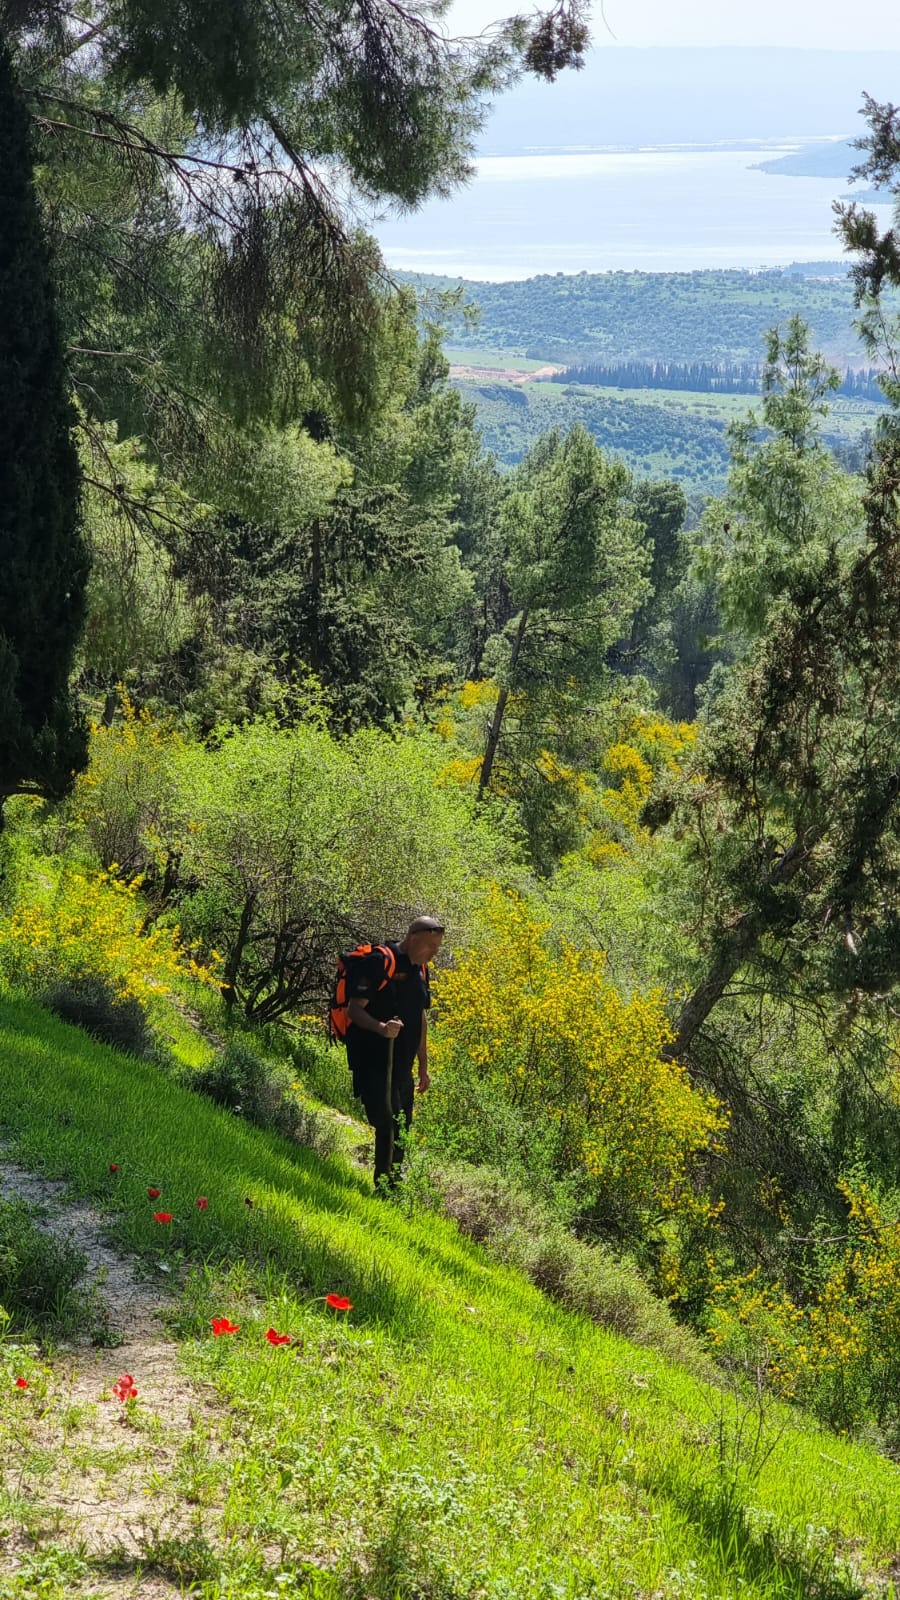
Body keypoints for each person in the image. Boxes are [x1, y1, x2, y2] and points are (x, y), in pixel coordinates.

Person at [345, 916, 444, 1191]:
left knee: (403, 1125)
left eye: (437, 947)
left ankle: (393, 1183)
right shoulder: (380, 962)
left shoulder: (421, 971)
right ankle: (384, 1187)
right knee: (389, 1124)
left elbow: (420, 1018)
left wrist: (423, 1065)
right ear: (413, 937)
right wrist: (381, 1027)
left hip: (402, 1066)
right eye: (431, 946)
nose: (434, 953)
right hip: (375, 1061)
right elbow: (354, 1010)